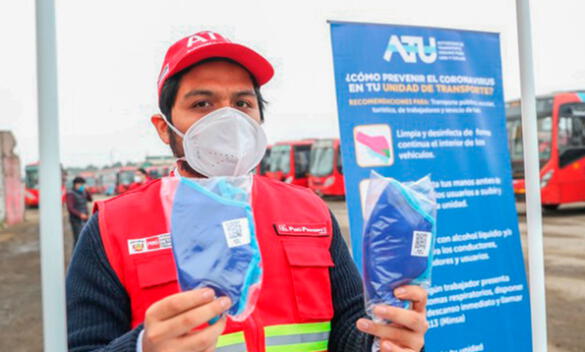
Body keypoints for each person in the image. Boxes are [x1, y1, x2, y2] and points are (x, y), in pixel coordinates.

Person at [66, 31, 428, 352]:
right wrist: (144, 347)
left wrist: (383, 341)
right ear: (164, 128)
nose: (228, 119)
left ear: (258, 119)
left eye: (242, 103)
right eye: (201, 104)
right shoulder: (113, 227)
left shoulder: (310, 212)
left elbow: (348, 325)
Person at [66, 176, 92, 246]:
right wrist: (80, 215)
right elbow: (70, 208)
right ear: (76, 184)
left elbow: (90, 199)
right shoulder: (70, 194)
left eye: (83, 185)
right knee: (78, 239)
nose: (82, 186)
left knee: (85, 238)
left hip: (85, 219)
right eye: (81, 185)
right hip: (76, 220)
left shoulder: (83, 192)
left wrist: (87, 191)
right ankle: (75, 256)